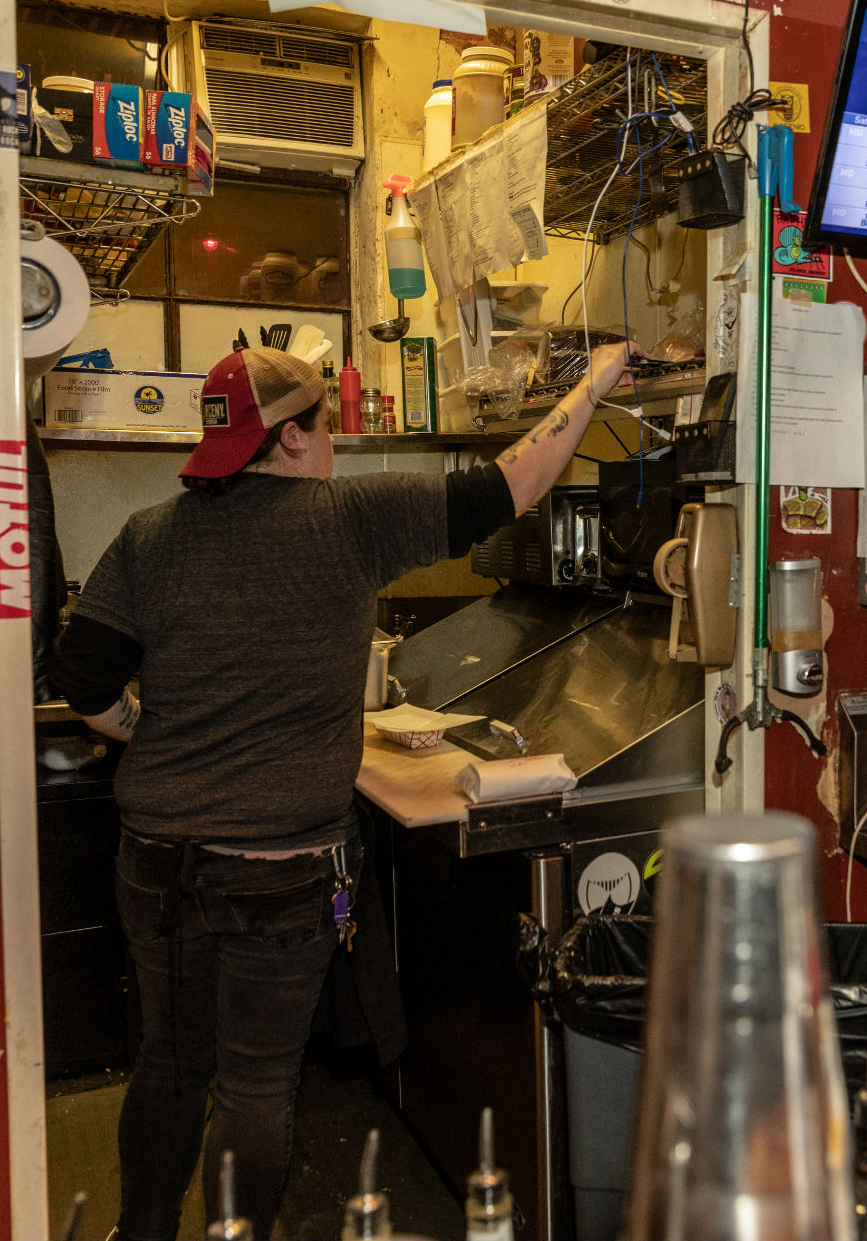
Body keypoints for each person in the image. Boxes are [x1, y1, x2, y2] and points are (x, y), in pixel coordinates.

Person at [49, 340, 632, 1241]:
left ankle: (143, 1233)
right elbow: (511, 484)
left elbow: (83, 683)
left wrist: (147, 732)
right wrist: (592, 383)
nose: (330, 443)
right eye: (325, 425)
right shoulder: (349, 518)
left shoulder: (150, 535)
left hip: (156, 857)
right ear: (289, 439)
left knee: (167, 1066)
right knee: (254, 1083)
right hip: (280, 865)